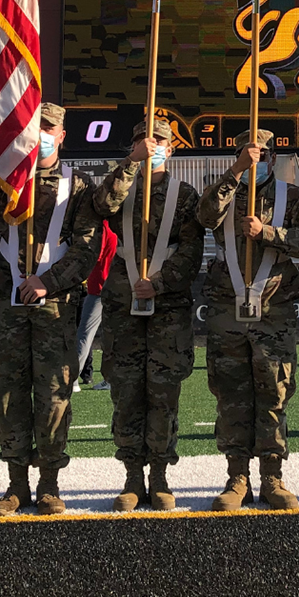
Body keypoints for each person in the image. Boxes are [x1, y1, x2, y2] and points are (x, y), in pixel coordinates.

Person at [0, 102, 101, 516]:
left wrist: (48, 281)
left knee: (54, 396)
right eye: (32, 127)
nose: (40, 133)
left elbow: (86, 250)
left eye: (48, 128)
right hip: (7, 302)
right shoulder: (6, 177)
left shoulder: (80, 186)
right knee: (8, 394)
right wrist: (4, 160)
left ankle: (49, 484)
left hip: (54, 307)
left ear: (62, 135)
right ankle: (15, 485)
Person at [197, 129, 299, 512]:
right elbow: (204, 215)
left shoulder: (293, 197)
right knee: (231, 396)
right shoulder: (226, 190)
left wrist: (268, 232)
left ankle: (272, 476)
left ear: (273, 157)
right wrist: (236, 171)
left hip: (273, 312)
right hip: (228, 309)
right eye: (250, 153)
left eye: (264, 154)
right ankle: (237, 478)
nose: (258, 160)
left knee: (274, 393)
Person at [91, 119, 205, 511]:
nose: (151, 144)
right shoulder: (121, 187)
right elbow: (102, 205)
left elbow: (192, 250)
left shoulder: (185, 195)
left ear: (171, 149)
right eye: (143, 139)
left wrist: (160, 282)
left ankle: (159, 474)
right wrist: (129, 164)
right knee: (125, 392)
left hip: (167, 308)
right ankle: (131, 476)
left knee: (163, 393)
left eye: (158, 140)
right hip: (123, 306)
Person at [73, 221, 117, 393]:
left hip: (99, 287)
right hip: (114, 286)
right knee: (111, 336)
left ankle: (73, 379)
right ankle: (110, 378)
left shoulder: (104, 226)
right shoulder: (117, 227)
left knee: (85, 334)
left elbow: (95, 255)